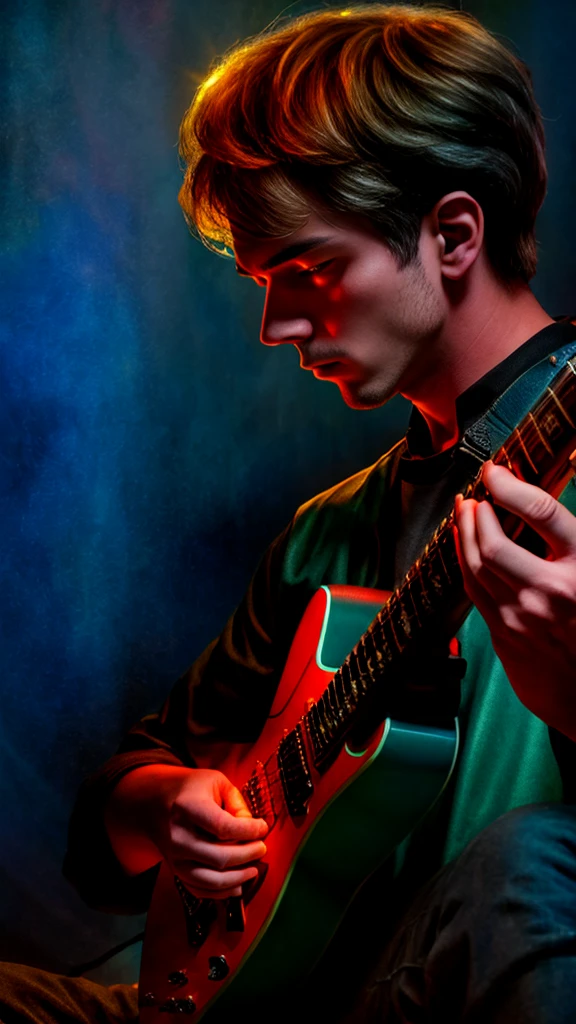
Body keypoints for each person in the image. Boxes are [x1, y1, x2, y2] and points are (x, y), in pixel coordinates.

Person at [2, 4, 576, 1022]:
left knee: (527, 867)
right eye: (266, 285)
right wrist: (162, 810)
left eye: (309, 273)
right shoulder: (326, 532)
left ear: (452, 234)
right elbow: (112, 814)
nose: (277, 327)